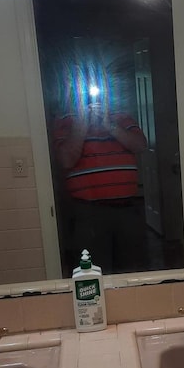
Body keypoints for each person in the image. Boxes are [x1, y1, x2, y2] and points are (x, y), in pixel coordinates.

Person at [53, 100, 148, 274]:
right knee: (92, 273)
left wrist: (110, 125)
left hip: (128, 210)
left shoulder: (122, 117)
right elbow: (66, 160)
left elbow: (141, 145)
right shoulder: (66, 121)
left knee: (133, 270)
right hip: (89, 213)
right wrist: (82, 124)